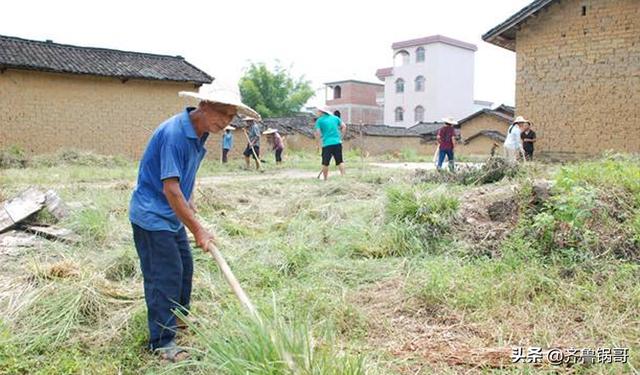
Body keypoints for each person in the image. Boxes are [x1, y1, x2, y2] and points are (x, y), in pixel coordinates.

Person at [128, 86, 260, 362]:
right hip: (152, 216)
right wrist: (197, 228)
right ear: (204, 104)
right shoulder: (175, 134)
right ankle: (162, 342)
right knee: (164, 276)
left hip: (172, 214)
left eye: (230, 116)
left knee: (184, 269)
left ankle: (176, 322)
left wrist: (189, 203)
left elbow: (183, 181)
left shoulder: (198, 134)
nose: (225, 121)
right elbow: (171, 189)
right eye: (221, 112)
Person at [315, 107, 346, 180]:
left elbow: (318, 133)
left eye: (318, 111)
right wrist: (341, 138)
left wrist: (318, 144)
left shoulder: (319, 121)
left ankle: (325, 179)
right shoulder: (335, 118)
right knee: (340, 161)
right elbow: (344, 126)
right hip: (337, 143)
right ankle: (344, 178)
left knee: (325, 163)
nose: (317, 113)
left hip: (327, 144)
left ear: (322, 112)